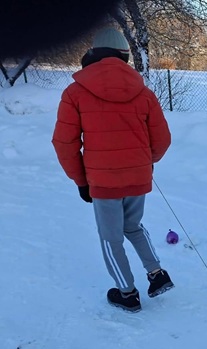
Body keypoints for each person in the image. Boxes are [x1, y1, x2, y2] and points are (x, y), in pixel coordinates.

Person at [52, 27, 173, 312]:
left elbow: (64, 144)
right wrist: (143, 163)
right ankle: (157, 273)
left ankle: (127, 293)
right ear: (125, 56)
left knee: (111, 237)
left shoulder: (75, 93)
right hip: (137, 178)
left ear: (93, 55)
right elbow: (162, 140)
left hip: (103, 182)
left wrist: (81, 181)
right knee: (133, 226)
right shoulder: (143, 93)